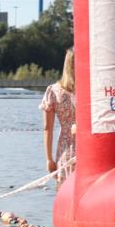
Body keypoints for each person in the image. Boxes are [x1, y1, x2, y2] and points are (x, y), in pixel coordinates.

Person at [40, 48, 76, 187]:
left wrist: (49, 159)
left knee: (64, 189)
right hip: (88, 145)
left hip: (65, 147)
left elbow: (47, 128)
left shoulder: (54, 91)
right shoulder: (90, 88)